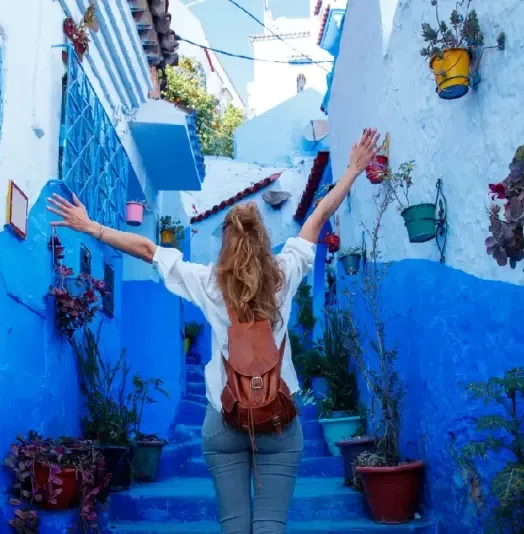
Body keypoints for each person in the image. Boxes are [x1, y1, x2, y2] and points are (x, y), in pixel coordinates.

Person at [47, 128, 381, 534]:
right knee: (270, 525)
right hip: (278, 417)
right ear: (264, 241)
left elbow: (149, 250)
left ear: (226, 243)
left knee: (234, 526)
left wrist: (92, 228)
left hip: (224, 418)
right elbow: (318, 216)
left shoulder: (209, 281)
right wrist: (353, 170)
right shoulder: (285, 272)